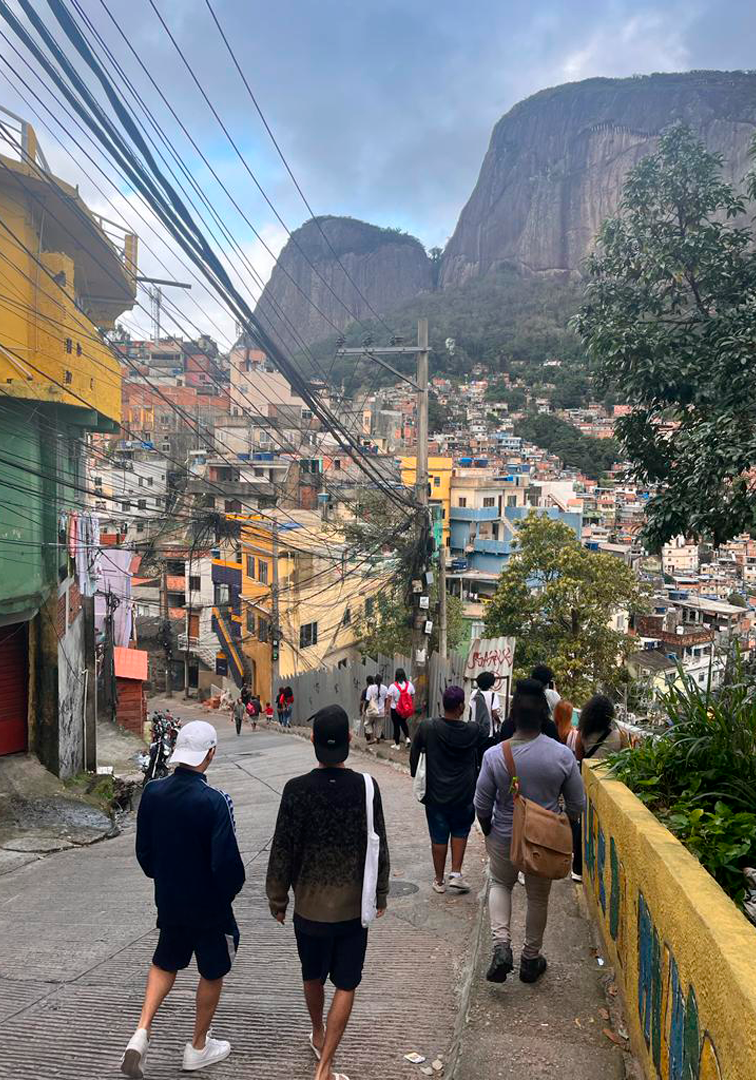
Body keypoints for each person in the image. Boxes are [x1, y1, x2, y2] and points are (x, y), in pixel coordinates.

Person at [266, 705, 390, 1080]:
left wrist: (278, 898)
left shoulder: (296, 790)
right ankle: (325, 1066)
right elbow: (379, 845)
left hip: (309, 909)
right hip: (353, 909)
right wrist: (380, 893)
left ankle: (317, 1031)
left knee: (312, 975)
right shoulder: (367, 788)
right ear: (349, 742)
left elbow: (282, 848)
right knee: (347, 983)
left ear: (314, 742)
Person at [121, 721, 245, 1077]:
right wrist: (226, 898)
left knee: (165, 962)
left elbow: (145, 854)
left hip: (170, 900)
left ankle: (141, 1031)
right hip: (209, 907)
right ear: (210, 753)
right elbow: (227, 865)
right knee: (212, 969)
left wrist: (166, 880)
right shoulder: (215, 801)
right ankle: (198, 1046)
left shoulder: (153, 793)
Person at [474, 679, 584, 986]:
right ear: (544, 717)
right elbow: (577, 804)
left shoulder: (495, 755)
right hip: (543, 839)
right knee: (538, 897)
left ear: (513, 716)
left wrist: (491, 832)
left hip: (503, 833)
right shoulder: (562, 756)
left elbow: (481, 804)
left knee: (500, 882)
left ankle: (500, 947)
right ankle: (530, 959)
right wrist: (559, 824)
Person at [410, 685, 488, 894]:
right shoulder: (473, 731)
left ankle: (438, 880)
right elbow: (486, 732)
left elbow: (415, 755)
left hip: (435, 793)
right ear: (461, 706)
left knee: (438, 835)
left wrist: (415, 774)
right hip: (464, 793)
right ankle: (456, 873)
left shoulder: (428, 727)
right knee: (460, 831)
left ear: (443, 704)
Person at [578, 694, 624, 760]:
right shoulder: (617, 737)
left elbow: (579, 758)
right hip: (609, 770)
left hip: (588, 769)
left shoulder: (584, 734)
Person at [386, 667, 415, 749]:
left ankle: (397, 744)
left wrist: (387, 709)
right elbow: (412, 696)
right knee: (403, 723)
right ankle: (407, 738)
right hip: (405, 709)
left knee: (396, 726)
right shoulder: (410, 685)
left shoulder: (392, 686)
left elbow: (389, 699)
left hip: (395, 709)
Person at [364, 674, 387, 743]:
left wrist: (365, 709)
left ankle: (371, 738)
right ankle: (378, 740)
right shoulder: (385, 688)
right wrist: (385, 709)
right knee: (379, 726)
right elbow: (386, 700)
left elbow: (367, 700)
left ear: (374, 680)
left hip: (372, 710)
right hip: (381, 711)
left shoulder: (370, 688)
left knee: (367, 723)